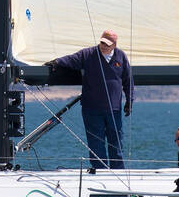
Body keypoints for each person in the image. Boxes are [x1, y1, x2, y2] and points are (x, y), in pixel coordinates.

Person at [47, 29, 133, 173]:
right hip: (92, 109)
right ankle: (99, 171)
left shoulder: (121, 57)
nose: (104, 46)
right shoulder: (88, 54)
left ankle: (118, 172)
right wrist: (57, 62)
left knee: (116, 143)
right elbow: (72, 59)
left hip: (114, 109)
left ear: (114, 45)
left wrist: (129, 101)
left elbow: (128, 80)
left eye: (107, 44)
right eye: (102, 42)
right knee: (96, 143)